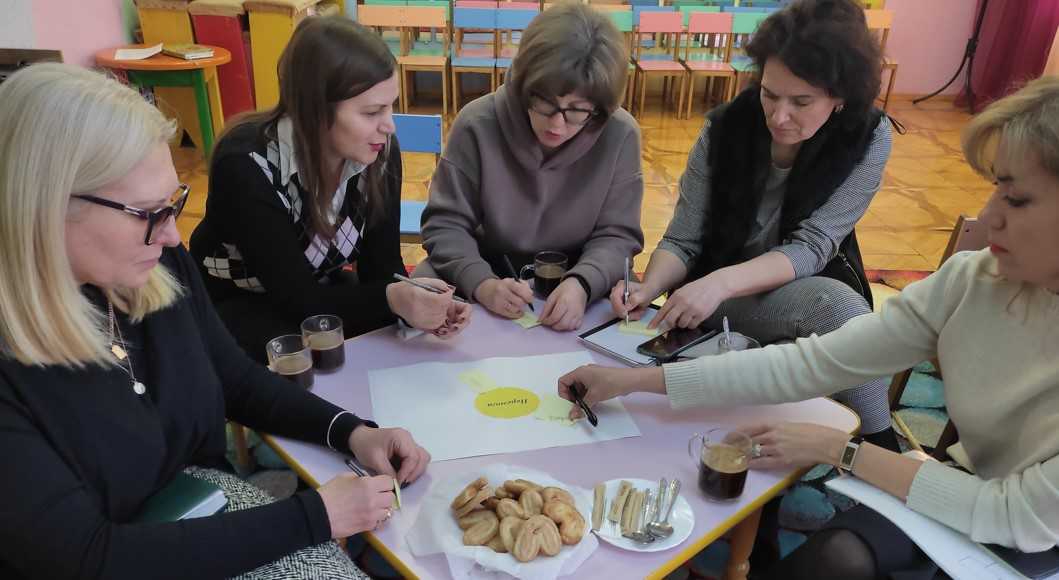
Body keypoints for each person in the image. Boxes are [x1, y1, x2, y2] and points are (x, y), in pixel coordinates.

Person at [560, 75, 1059, 580]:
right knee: (833, 558)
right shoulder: (975, 280)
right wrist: (636, 380)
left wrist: (838, 449)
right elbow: (816, 362)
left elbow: (1019, 519)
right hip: (968, 486)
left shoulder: (863, 142)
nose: (989, 216)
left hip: (1036, 532)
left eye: (1016, 200)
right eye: (996, 188)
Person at [0, 63, 431, 580]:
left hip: (202, 516)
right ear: (44, 207)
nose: (173, 237)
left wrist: (350, 432)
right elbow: (90, 559)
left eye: (173, 204)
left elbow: (235, 378)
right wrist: (314, 516)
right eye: (147, 213)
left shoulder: (152, 269)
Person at [610, 0, 898, 447]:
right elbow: (683, 239)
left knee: (837, 325)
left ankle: (875, 448)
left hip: (788, 281)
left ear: (840, 98)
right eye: (769, 94)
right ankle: (877, 445)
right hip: (720, 297)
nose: (779, 116)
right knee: (838, 314)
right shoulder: (725, 130)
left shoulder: (869, 136)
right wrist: (647, 288)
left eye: (801, 101)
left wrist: (721, 282)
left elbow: (815, 245)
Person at [190, 16, 469, 363]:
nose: (389, 125)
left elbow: (382, 269)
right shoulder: (246, 165)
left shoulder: (379, 153)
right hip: (237, 302)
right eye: (372, 111)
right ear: (315, 111)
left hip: (317, 293)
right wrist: (394, 302)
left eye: (391, 105)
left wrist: (416, 303)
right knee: (320, 363)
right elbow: (295, 300)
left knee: (392, 346)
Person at [416, 1, 644, 331]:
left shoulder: (620, 133)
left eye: (577, 110)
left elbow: (618, 236)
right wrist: (482, 284)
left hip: (578, 275)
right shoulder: (477, 123)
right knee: (424, 294)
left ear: (600, 108)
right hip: (489, 268)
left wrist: (581, 284)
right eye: (545, 102)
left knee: (626, 308)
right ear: (524, 85)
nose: (557, 124)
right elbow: (445, 224)